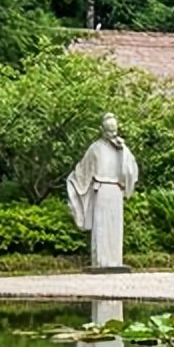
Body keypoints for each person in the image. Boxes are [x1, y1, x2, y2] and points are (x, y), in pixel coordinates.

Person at [66, 114, 138, 270]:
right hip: (101, 191)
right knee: (102, 228)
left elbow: (131, 170)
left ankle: (115, 261)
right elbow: (83, 171)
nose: (112, 134)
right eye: (109, 131)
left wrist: (123, 152)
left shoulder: (122, 150)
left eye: (114, 131)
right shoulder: (95, 148)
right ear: (102, 130)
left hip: (117, 191)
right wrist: (72, 180)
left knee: (115, 228)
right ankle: (101, 261)